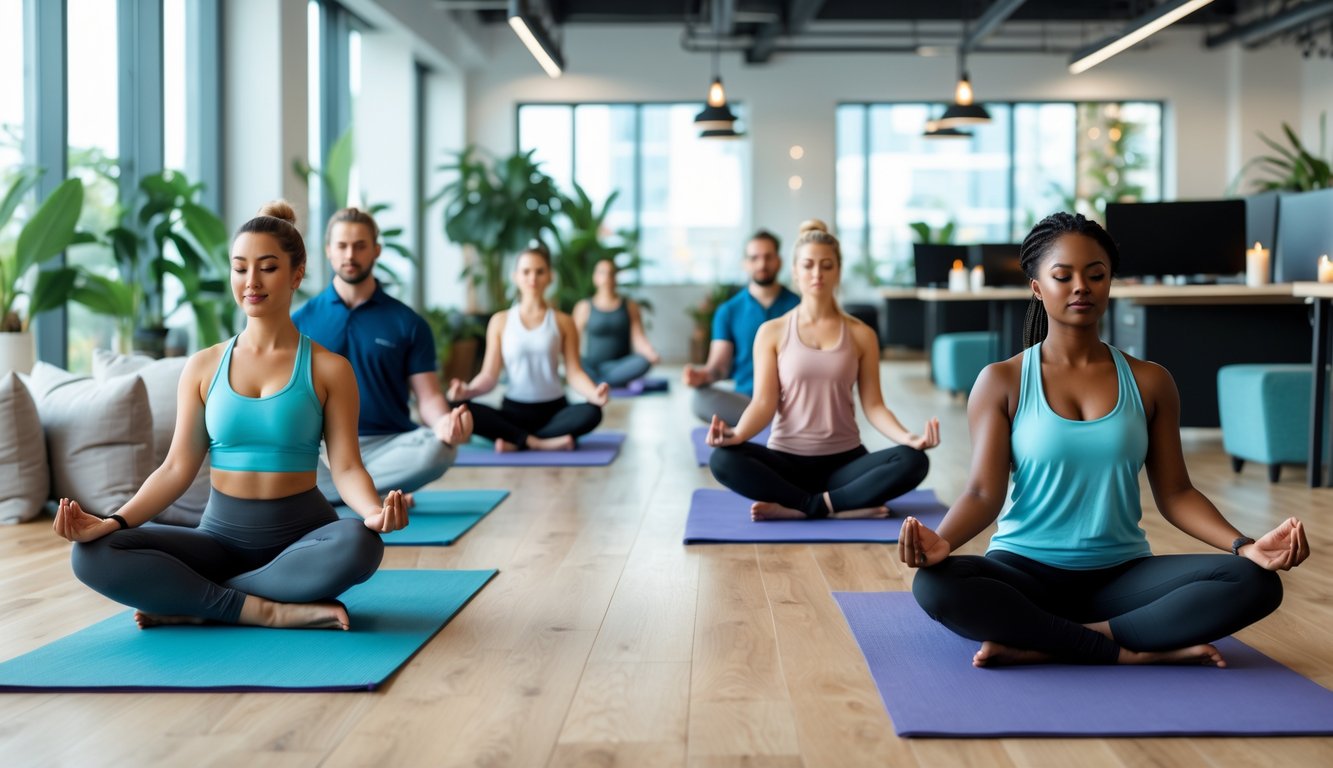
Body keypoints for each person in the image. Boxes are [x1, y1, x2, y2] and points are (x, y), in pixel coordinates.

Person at [899, 212, 1309, 667]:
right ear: (1037, 287)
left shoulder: (1151, 381)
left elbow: (1176, 493)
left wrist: (1244, 546)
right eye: (1063, 276)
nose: (1082, 287)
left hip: (1122, 579)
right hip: (1023, 571)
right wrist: (944, 543)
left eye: (1096, 275)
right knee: (934, 583)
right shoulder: (1002, 381)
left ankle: (1050, 640)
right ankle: (1126, 649)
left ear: (1110, 283)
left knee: (1255, 581)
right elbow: (981, 492)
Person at [53, 201, 408, 631]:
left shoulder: (329, 369)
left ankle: (198, 600)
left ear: (297, 274)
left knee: (360, 543)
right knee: (90, 552)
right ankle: (266, 609)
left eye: (268, 267)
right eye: (240, 268)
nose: (251, 282)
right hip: (218, 539)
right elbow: (176, 468)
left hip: (303, 540)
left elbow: (347, 466)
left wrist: (372, 511)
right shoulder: (203, 366)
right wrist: (113, 521)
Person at [706, 220, 940, 521]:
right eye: (808, 265)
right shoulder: (772, 332)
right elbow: (763, 403)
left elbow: (874, 405)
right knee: (723, 459)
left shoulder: (861, 334)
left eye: (827, 265)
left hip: (845, 465)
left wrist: (909, 437)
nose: (817, 274)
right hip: (786, 463)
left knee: (913, 460)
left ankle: (802, 506)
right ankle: (837, 506)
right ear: (795, 271)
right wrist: (737, 434)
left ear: (838, 271)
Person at [293, 207, 472, 505]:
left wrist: (444, 424)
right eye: (342, 246)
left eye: (360, 246)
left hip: (389, 444)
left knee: (440, 449)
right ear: (328, 251)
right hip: (324, 450)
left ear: (376, 250)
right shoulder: (300, 322)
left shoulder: (408, 323)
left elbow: (428, 398)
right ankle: (368, 493)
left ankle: (343, 494)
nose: (350, 254)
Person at [447, 247, 609, 451]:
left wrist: (595, 394)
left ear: (550, 276)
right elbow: (489, 376)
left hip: (554, 411)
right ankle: (539, 442)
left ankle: (518, 441)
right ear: (515, 276)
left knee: (593, 412)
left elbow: (574, 372)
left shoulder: (564, 321)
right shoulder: (500, 321)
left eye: (540, 271)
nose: (533, 277)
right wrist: (467, 391)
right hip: (514, 411)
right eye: (526, 271)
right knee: (454, 407)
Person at [683, 230, 801, 425]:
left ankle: (765, 426)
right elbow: (718, 368)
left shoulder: (799, 306)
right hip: (747, 402)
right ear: (745, 263)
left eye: (768, 257)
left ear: (779, 261)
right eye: (754, 258)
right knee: (700, 399)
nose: (762, 264)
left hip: (792, 403)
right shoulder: (728, 311)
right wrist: (701, 376)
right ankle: (763, 424)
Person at [573, 257, 661, 387]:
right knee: (574, 362)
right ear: (595, 278)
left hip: (620, 366)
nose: (607, 277)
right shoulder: (584, 307)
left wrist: (651, 353)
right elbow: (573, 340)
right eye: (602, 272)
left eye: (611, 273)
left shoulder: (630, 306)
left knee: (643, 361)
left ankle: (597, 383)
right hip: (593, 366)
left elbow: (638, 338)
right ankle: (605, 382)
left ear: (616, 278)